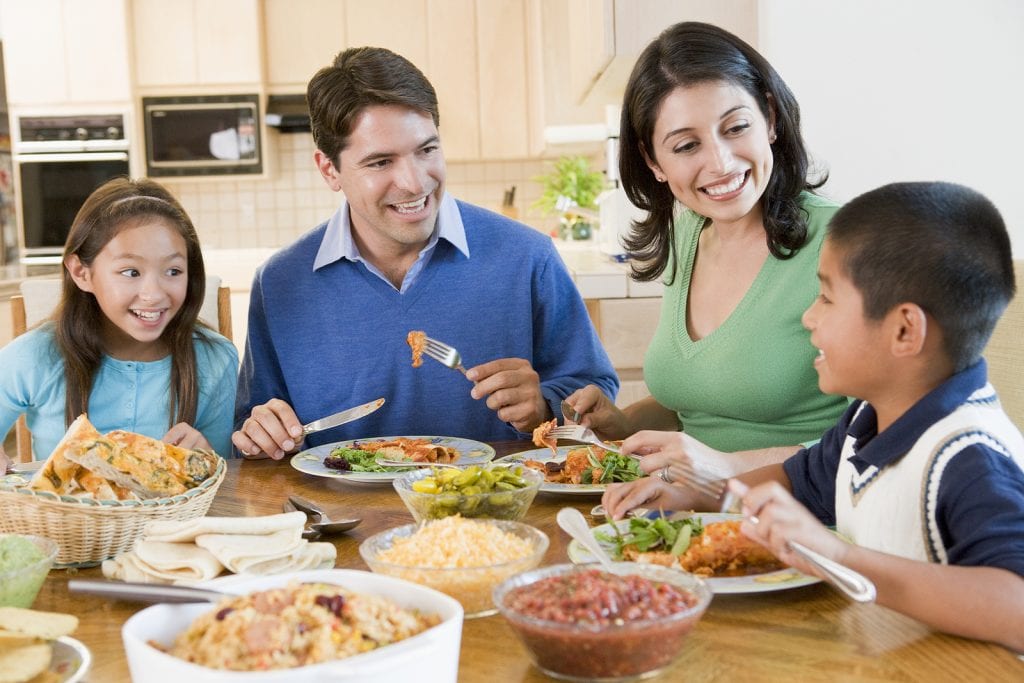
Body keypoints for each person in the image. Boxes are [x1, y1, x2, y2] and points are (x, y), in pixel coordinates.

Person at [610, 182, 1024, 649]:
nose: (809, 317)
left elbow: (1016, 605)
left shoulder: (969, 456)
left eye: (826, 298)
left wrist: (835, 553)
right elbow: (794, 482)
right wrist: (694, 493)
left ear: (904, 330)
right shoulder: (867, 421)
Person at [232, 46, 617, 459]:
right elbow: (250, 432)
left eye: (427, 150)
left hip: (492, 512)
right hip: (340, 519)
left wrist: (544, 406)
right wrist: (260, 436)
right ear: (329, 170)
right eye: (380, 162)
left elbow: (596, 397)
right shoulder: (280, 283)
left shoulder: (527, 258)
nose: (415, 183)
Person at [565, 21, 848, 483]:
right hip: (695, 510)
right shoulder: (688, 233)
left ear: (770, 119)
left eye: (735, 127)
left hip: (807, 521)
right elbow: (704, 410)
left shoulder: (845, 240)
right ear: (654, 161)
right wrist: (624, 423)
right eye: (686, 145)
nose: (720, 162)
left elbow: (887, 437)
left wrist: (731, 469)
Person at [0, 177, 239, 470]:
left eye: (173, 270)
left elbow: (225, 479)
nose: (153, 294)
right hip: (65, 517)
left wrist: (208, 458)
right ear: (81, 272)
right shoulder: (36, 355)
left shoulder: (214, 358)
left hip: (180, 517)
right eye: (130, 272)